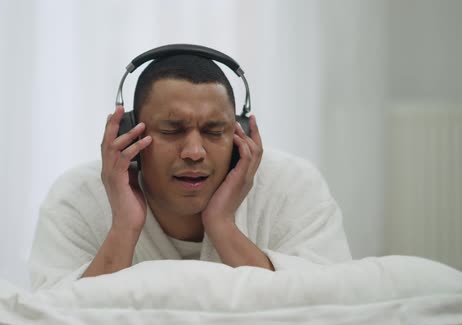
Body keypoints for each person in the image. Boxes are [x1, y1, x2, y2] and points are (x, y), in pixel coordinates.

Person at [28, 52, 351, 290]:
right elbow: (55, 318)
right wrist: (124, 227)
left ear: (241, 135)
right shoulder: (76, 196)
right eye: (171, 130)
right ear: (129, 132)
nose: (194, 152)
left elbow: (324, 310)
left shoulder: (292, 185)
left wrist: (222, 224)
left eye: (214, 131)